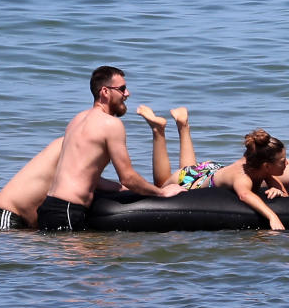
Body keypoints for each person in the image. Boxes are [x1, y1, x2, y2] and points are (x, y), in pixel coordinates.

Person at [36, 66, 186, 231]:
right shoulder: (111, 124)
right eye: (122, 89)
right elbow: (127, 177)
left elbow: (88, 177)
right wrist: (160, 193)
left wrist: (124, 190)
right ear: (105, 92)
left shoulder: (76, 120)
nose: (127, 94)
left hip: (48, 207)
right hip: (68, 212)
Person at [137, 105, 289, 230]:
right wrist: (272, 216)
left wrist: (279, 190)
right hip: (197, 178)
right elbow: (245, 195)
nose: (287, 164)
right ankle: (158, 131)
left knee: (189, 168)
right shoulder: (243, 178)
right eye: (283, 161)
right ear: (267, 165)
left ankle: (183, 125)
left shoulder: (256, 161)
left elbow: (279, 187)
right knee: (160, 185)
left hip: (211, 169)